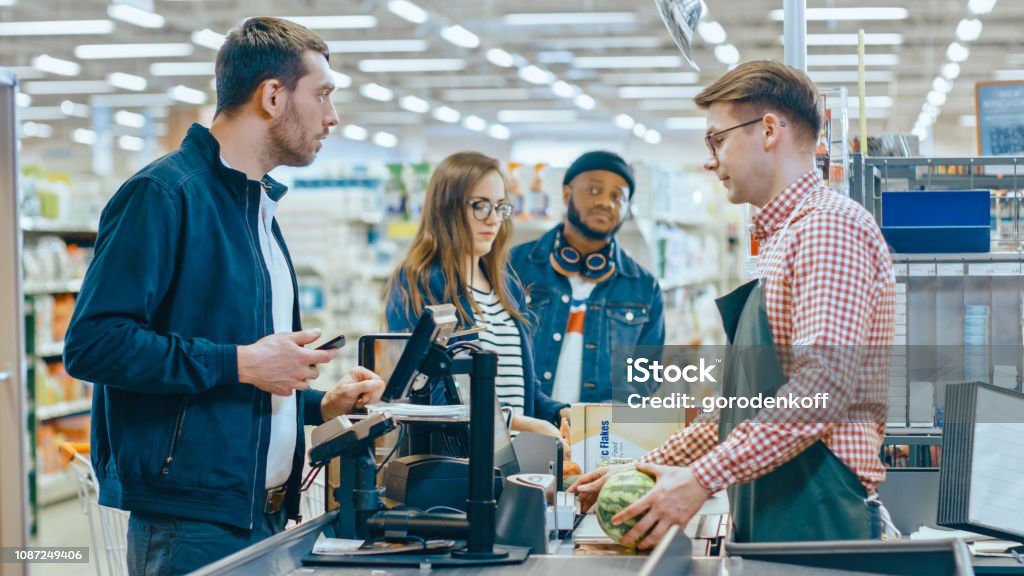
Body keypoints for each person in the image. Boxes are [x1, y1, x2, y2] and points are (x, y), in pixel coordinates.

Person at [63, 17, 385, 575]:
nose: (333, 117)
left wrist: (318, 405)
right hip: (190, 524)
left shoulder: (257, 208)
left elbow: (238, 380)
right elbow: (94, 344)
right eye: (324, 95)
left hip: (259, 516)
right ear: (272, 95)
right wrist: (245, 361)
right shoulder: (162, 195)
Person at [569, 60, 896, 548]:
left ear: (767, 131)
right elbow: (742, 409)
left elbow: (822, 387)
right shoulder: (784, 240)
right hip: (783, 515)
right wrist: (640, 469)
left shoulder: (828, 229)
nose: (709, 159)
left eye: (716, 139)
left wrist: (702, 480)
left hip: (823, 521)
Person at [385, 151, 566, 436]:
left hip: (516, 466)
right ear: (446, 209)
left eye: (500, 206)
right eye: (480, 206)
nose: (493, 219)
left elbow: (520, 386)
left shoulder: (507, 287)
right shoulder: (419, 283)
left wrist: (558, 412)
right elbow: (423, 394)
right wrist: (515, 424)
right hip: (458, 467)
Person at [510, 151, 664, 405]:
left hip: (599, 435)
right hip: (523, 428)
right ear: (567, 194)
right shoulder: (514, 266)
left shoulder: (643, 287)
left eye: (618, 196)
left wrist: (602, 424)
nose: (606, 202)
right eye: (594, 190)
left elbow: (646, 376)